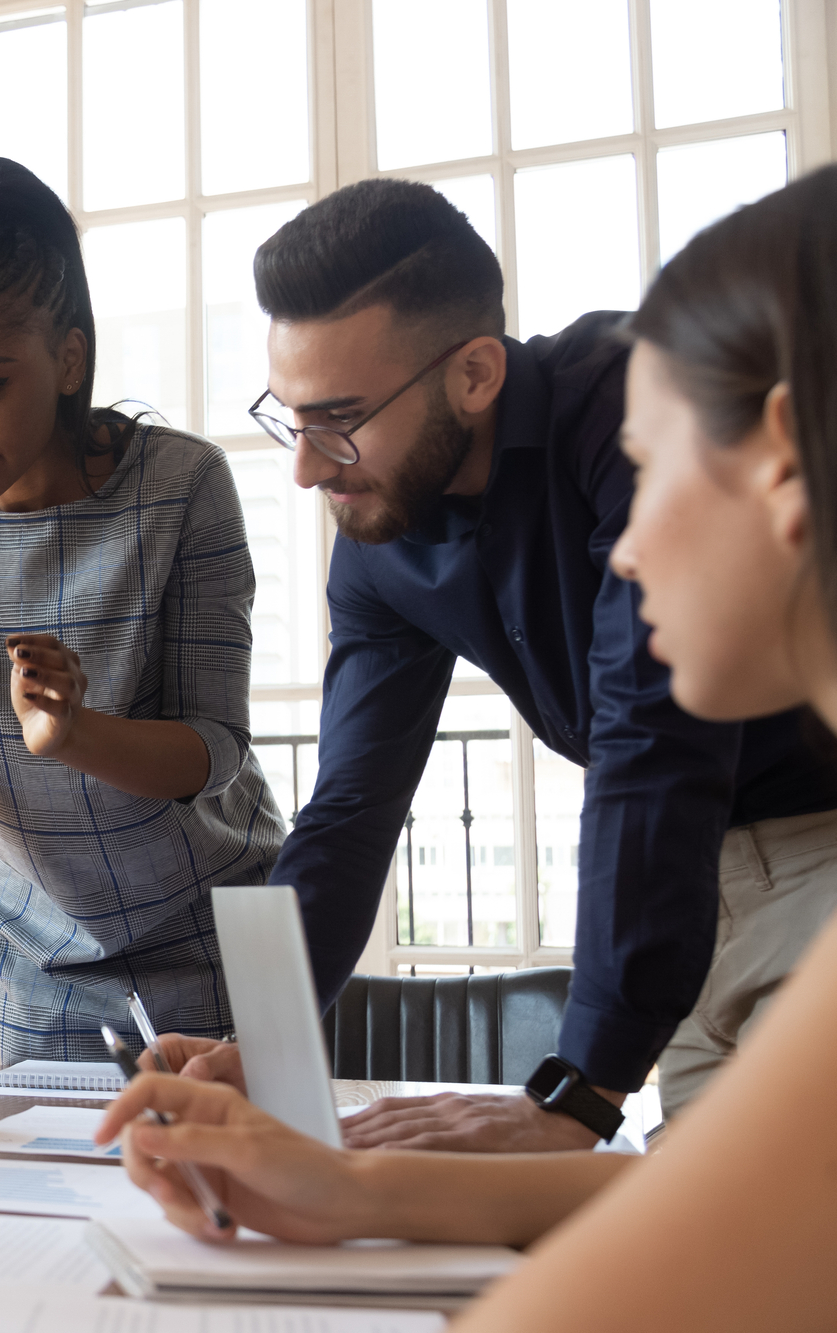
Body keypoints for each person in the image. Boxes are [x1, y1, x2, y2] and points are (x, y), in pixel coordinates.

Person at [96, 164, 837, 1330]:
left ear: (474, 372)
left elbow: (649, 735)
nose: (302, 466)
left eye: (337, 419)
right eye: (291, 420)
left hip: (799, 850)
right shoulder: (376, 537)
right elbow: (349, 806)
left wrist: (578, 1087)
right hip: (682, 893)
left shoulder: (622, 404)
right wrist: (269, 1047)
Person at [0, 157, 286, 1062]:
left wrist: (74, 733)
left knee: (229, 1201)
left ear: (68, 359)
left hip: (224, 943)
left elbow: (214, 750)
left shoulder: (181, 486)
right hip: (40, 967)